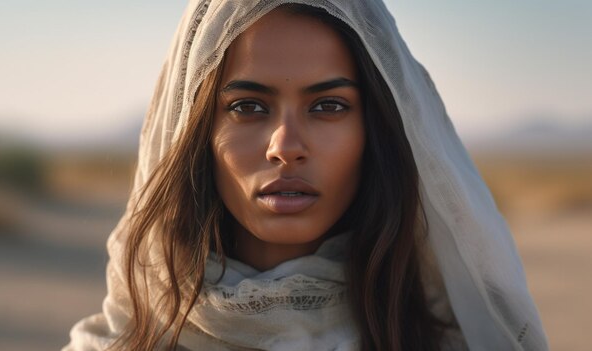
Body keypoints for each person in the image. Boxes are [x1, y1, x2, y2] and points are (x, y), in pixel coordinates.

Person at [63, 1, 548, 350]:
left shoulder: (440, 341)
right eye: (247, 107)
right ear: (197, 133)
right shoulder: (122, 343)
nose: (286, 147)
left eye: (328, 106)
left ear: (375, 130)